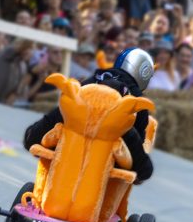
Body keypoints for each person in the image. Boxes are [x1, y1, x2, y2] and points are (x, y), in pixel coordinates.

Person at [23, 47, 154, 183]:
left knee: (38, 132)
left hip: (71, 146)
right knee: (143, 170)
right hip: (102, 164)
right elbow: (141, 164)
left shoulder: (92, 80)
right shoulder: (139, 102)